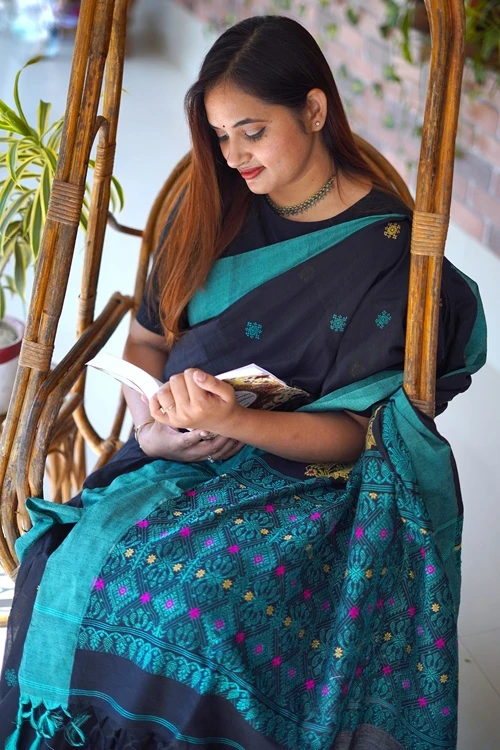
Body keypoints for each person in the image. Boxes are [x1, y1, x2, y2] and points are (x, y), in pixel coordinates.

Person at [0, 14, 486, 750]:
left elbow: (358, 436)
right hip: (180, 454)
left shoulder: (389, 251)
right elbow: (148, 337)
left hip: (313, 484)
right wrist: (154, 422)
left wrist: (235, 422)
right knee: (71, 561)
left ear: (314, 110)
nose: (233, 156)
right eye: (222, 136)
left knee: (206, 615)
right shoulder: (210, 206)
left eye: (252, 132)